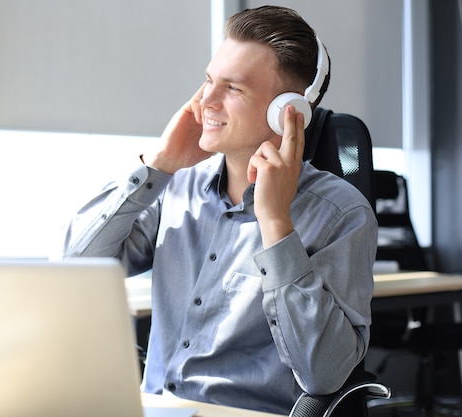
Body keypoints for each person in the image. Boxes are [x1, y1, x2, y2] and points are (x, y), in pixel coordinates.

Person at [55, 5, 377, 415]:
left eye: (233, 88)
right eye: (208, 80)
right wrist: (156, 166)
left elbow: (324, 375)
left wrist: (276, 225)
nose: (205, 100)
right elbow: (72, 269)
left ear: (288, 112)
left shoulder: (341, 214)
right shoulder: (178, 187)